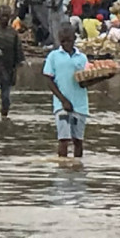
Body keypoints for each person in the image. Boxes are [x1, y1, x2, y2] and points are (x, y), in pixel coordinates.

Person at [43, 22, 90, 158]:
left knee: (78, 141)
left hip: (80, 105)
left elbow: (84, 82)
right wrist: (63, 100)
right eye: (62, 41)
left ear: (74, 39)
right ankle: (63, 171)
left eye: (68, 41)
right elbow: (48, 80)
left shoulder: (82, 58)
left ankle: (77, 169)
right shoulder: (53, 56)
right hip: (61, 105)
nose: (66, 44)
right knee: (63, 140)